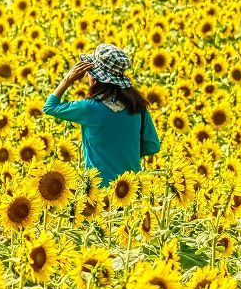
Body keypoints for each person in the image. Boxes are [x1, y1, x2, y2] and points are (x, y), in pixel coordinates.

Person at [42, 43, 161, 187]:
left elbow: (50, 107)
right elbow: (153, 146)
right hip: (130, 191)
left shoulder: (89, 108)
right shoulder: (137, 106)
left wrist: (68, 79)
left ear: (94, 77)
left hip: (98, 193)